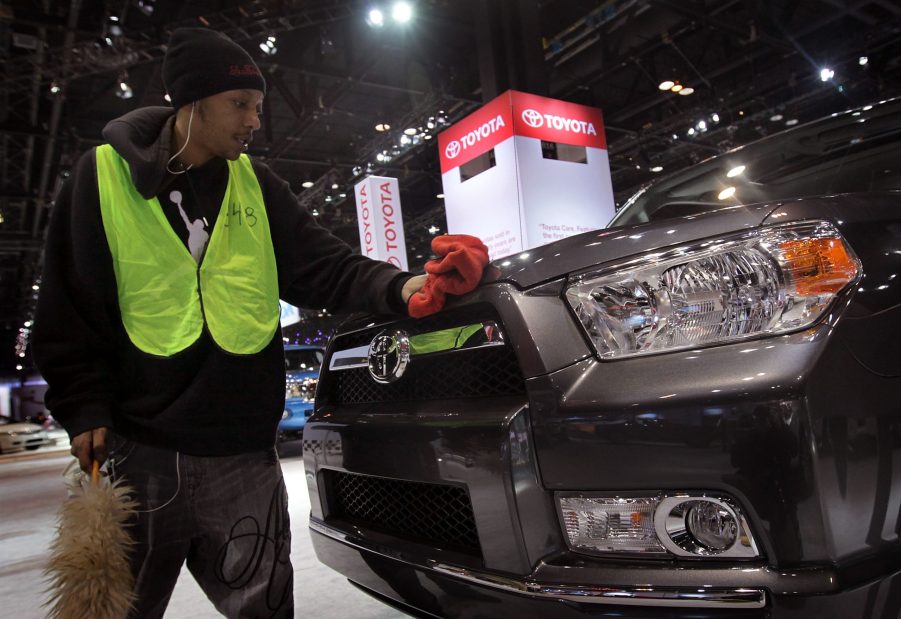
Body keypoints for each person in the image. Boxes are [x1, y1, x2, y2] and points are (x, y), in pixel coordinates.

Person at [32, 27, 426, 618]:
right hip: (139, 448)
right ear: (191, 106)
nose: (253, 122)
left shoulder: (257, 185)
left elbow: (325, 267)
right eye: (239, 105)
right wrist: (82, 406)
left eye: (259, 107)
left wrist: (401, 286)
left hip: (241, 450)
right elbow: (69, 300)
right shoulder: (102, 178)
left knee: (263, 607)